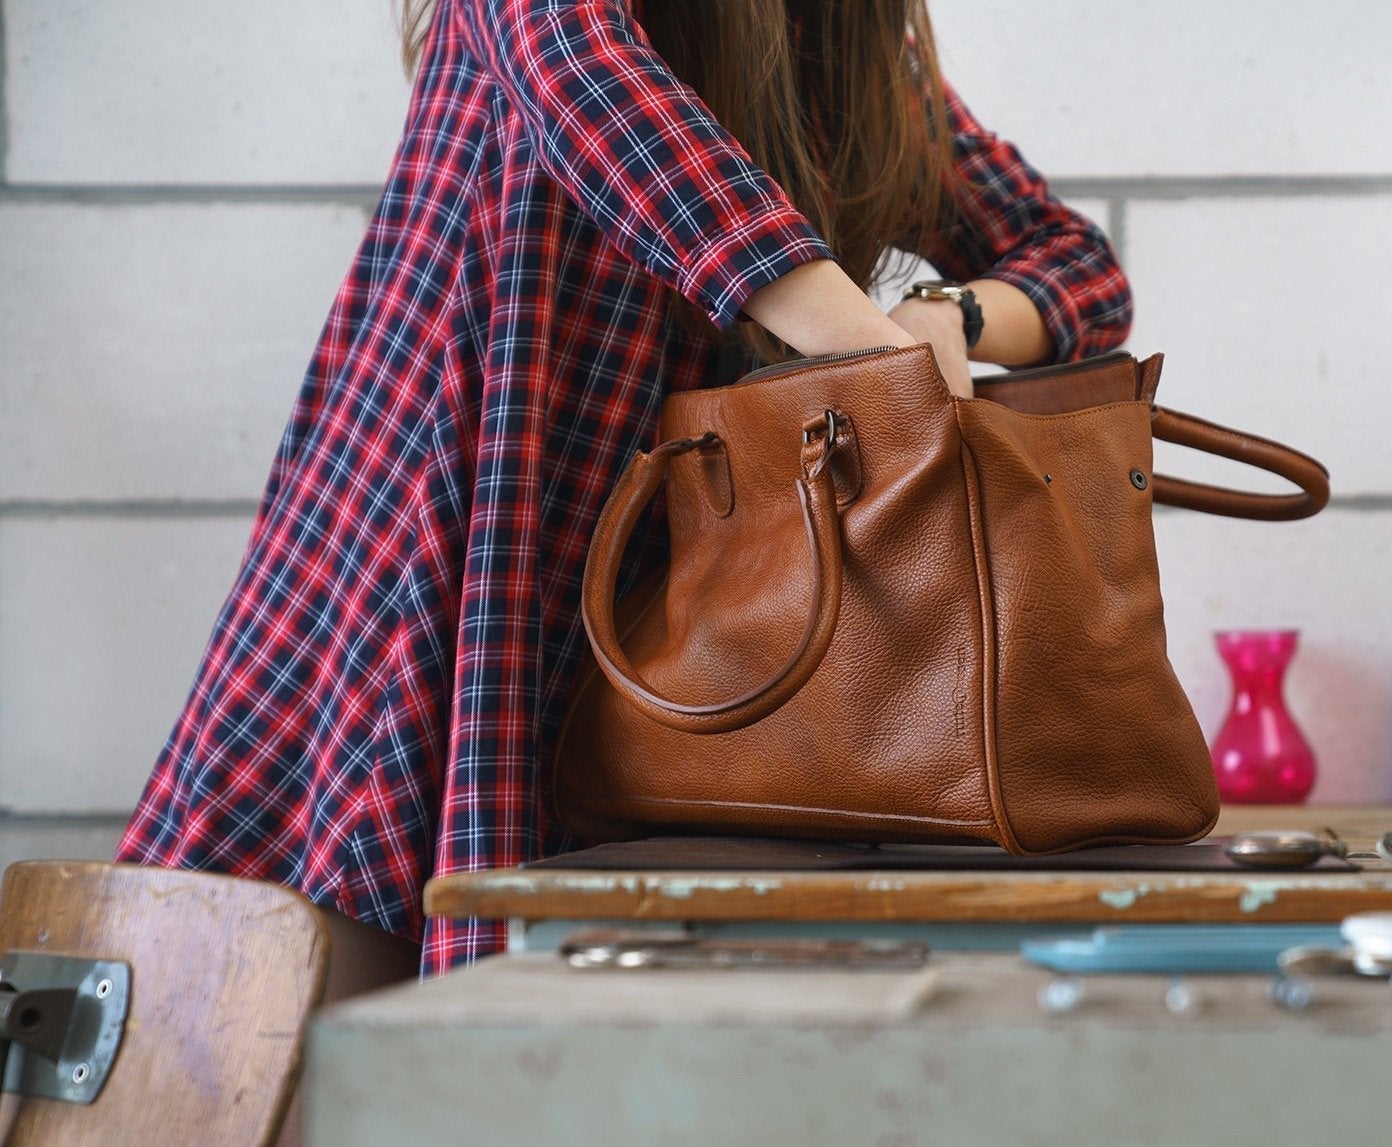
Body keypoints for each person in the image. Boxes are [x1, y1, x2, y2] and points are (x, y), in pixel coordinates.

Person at [118, 0, 1131, 979]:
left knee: (561, 987)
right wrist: (880, 360)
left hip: (684, 581)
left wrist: (948, 312)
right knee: (290, 971)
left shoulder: (842, 45)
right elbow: (584, 75)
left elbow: (1078, 264)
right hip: (462, 508)